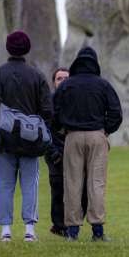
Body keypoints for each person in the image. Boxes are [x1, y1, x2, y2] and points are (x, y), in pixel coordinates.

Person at [0, 31, 52, 242]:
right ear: (27, 48)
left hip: (5, 139)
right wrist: (36, 126)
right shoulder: (37, 76)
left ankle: (6, 230)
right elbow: (47, 110)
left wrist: (1, 126)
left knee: (4, 184)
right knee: (30, 183)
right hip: (31, 138)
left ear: (8, 48)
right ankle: (29, 230)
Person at [53, 46, 122, 241]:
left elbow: (54, 112)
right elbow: (116, 113)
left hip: (72, 136)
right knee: (96, 183)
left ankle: (72, 232)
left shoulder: (67, 85)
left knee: (72, 184)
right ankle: (97, 232)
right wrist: (106, 130)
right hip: (96, 135)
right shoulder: (103, 85)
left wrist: (61, 128)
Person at [45, 67, 88, 237]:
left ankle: (75, 220)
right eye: (59, 79)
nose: (63, 81)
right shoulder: (48, 102)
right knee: (58, 189)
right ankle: (59, 225)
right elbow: (44, 129)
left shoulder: (78, 100)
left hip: (76, 150)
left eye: (66, 78)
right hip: (55, 149)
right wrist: (53, 152)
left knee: (83, 189)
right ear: (54, 82)